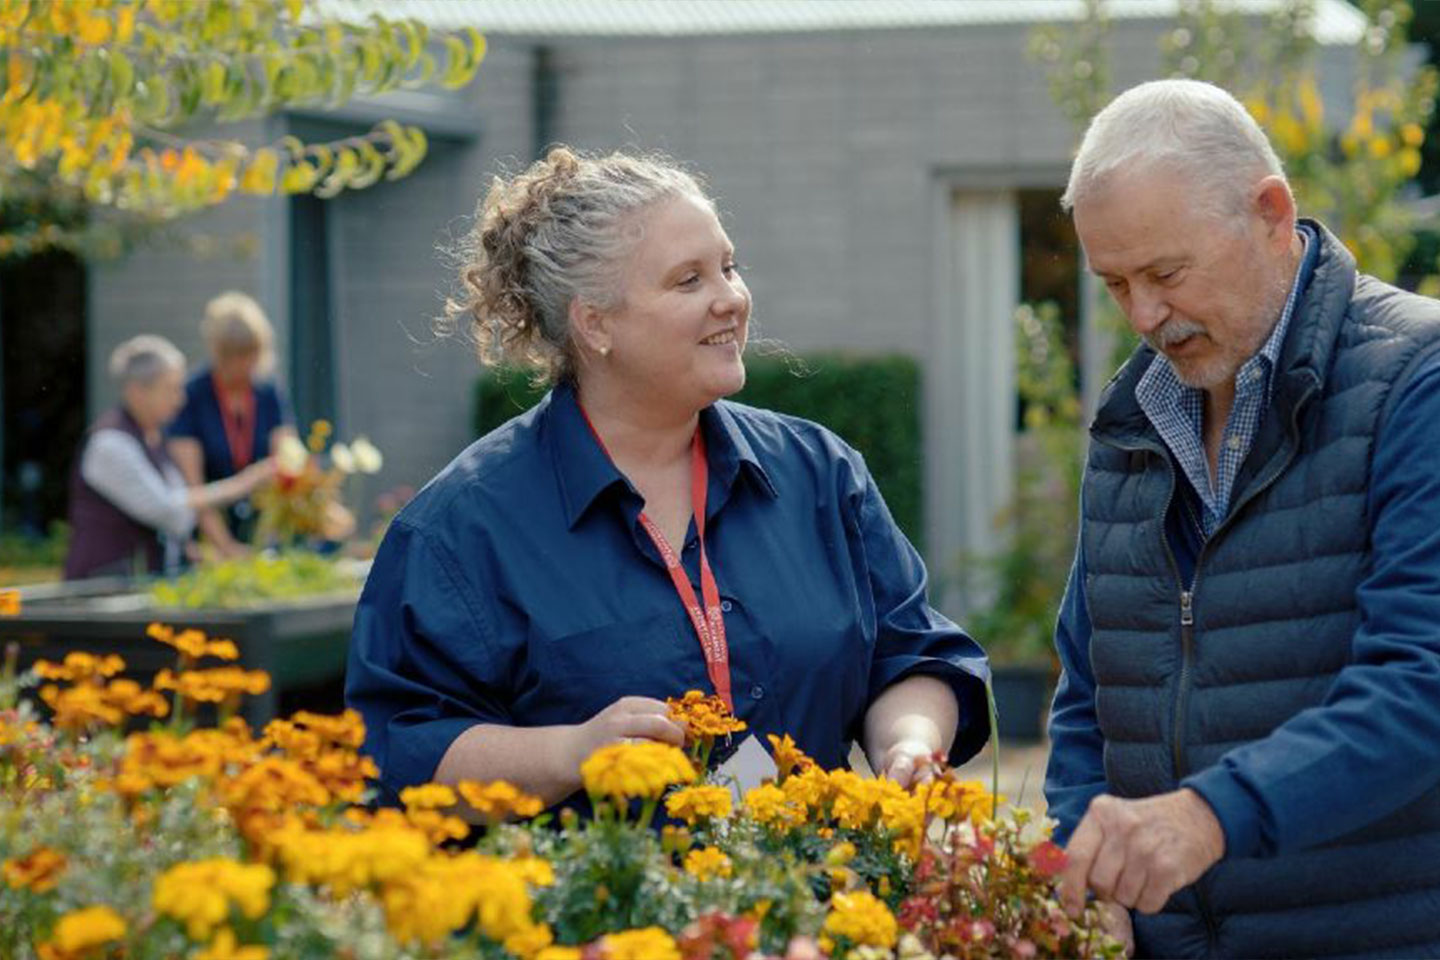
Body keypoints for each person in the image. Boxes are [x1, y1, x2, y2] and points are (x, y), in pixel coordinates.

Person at [346, 147, 990, 814]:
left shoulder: (820, 474)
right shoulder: (461, 527)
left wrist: (910, 744)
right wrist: (572, 754)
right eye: (689, 281)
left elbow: (911, 655)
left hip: (815, 909)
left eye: (729, 268)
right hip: (591, 916)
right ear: (595, 323)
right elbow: (400, 753)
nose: (732, 300)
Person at [1043, 78, 1440, 958]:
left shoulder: (1421, 381)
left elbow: (1423, 683)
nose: (1143, 316)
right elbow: (1087, 701)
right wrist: (1086, 865)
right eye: (1114, 284)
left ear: (1269, 212)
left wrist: (1213, 816)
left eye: (1165, 273)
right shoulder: (1133, 423)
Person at [64, 335, 274, 581]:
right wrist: (241, 484)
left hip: (134, 590)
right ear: (136, 392)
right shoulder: (110, 444)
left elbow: (178, 523)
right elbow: (166, 508)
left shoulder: (155, 439)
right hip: (97, 595)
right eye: (171, 389)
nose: (180, 400)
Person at [167, 291, 296, 557]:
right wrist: (226, 548)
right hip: (206, 538)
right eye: (234, 355)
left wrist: (268, 540)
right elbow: (193, 488)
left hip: (262, 531)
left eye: (249, 353)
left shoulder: (268, 392)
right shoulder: (191, 395)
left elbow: (287, 463)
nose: (243, 364)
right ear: (217, 351)